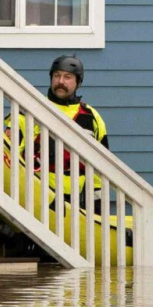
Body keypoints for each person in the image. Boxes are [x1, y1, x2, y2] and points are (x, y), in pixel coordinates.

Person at [39, 55, 108, 202]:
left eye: (67, 77)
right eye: (56, 76)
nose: (61, 82)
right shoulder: (33, 109)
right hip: (36, 197)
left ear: (78, 82)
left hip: (75, 204)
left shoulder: (91, 117)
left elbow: (101, 167)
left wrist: (97, 207)